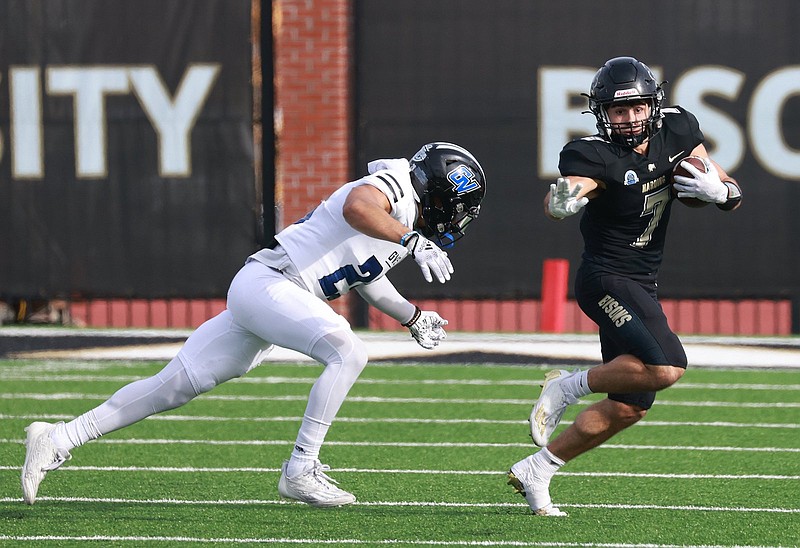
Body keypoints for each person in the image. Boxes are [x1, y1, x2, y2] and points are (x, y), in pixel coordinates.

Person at [21, 141, 487, 507]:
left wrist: (414, 316)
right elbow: (357, 207)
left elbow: (368, 277)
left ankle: (58, 437)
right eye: (457, 205)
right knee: (348, 351)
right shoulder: (394, 189)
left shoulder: (400, 216)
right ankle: (300, 469)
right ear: (438, 191)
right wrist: (409, 240)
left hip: (271, 295)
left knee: (172, 387)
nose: (456, 219)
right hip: (271, 284)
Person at [507, 56, 742, 516]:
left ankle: (538, 470)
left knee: (630, 406)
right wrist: (561, 201)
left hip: (643, 281)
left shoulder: (678, 129)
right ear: (601, 114)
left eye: (637, 108)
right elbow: (569, 190)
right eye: (618, 111)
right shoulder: (594, 153)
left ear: (653, 104)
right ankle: (566, 386)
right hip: (605, 278)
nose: (630, 119)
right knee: (668, 365)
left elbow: (721, 183)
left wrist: (723, 193)